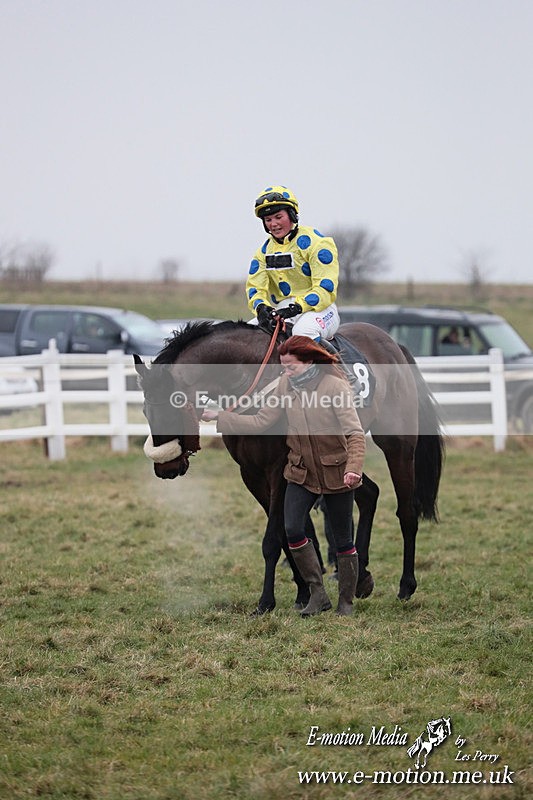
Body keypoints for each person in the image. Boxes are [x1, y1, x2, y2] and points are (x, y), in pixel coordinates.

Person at [203, 336, 365, 617]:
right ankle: (318, 594)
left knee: (343, 541)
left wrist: (354, 468)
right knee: (292, 530)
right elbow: (261, 421)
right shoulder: (284, 385)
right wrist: (221, 417)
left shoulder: (335, 387)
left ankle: (346, 603)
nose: (286, 373)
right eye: (283, 367)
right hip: (300, 472)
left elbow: (355, 433)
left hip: (336, 472)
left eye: (290, 367)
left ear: (309, 362)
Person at [247, 185, 340, 341]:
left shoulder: (318, 244)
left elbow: (325, 289)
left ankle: (323, 366)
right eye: (268, 220)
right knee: (247, 335)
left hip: (320, 310)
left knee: (303, 332)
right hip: (283, 311)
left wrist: (296, 307)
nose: (273, 224)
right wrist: (261, 307)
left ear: (292, 215)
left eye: (278, 217)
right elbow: (255, 289)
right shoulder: (262, 253)